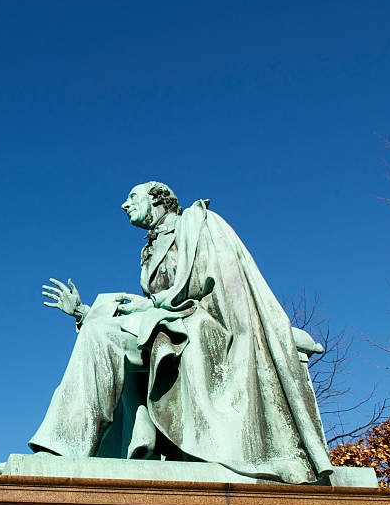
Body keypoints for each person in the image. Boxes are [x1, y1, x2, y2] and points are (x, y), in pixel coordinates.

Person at [29, 182, 333, 484]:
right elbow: (156, 301)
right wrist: (84, 312)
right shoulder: (147, 251)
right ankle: (62, 448)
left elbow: (221, 286)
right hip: (167, 324)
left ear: (158, 200)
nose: (124, 205)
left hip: (206, 326)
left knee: (139, 331)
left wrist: (154, 304)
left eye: (133, 197)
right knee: (97, 330)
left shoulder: (200, 225)